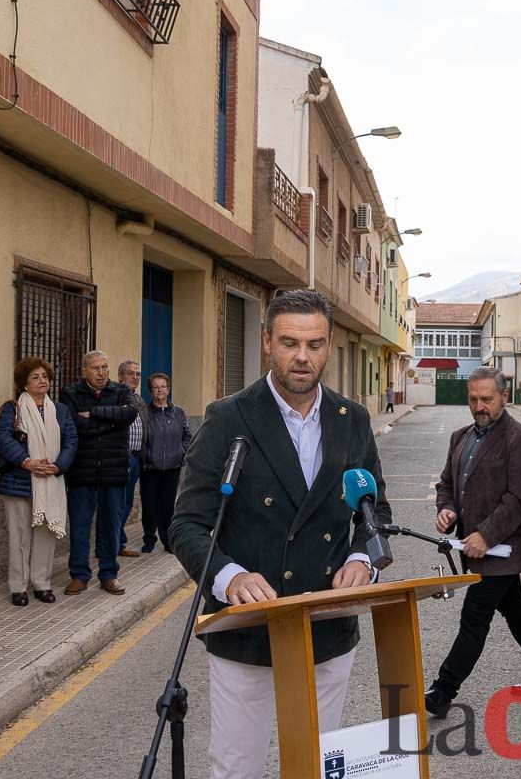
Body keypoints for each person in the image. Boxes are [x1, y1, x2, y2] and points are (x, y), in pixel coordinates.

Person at [169, 290, 391, 779]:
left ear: (329, 344)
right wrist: (228, 578)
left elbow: (375, 510)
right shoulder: (229, 417)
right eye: (289, 342)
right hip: (248, 629)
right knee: (236, 767)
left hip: (326, 626)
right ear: (266, 341)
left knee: (315, 765)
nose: (302, 357)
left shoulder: (351, 419)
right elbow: (186, 523)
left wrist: (363, 559)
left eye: (314, 344)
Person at [425, 366, 521, 718]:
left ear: (504, 396)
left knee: (475, 616)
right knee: (514, 607)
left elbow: (519, 498)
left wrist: (486, 535)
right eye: (473, 399)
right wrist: (447, 510)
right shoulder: (460, 436)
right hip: (473, 545)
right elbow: (446, 484)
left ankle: (443, 690)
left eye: (487, 399)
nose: (479, 406)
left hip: (503, 548)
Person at [0, 358, 78, 606]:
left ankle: (42, 584)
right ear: (24, 384)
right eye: (35, 377)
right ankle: (18, 587)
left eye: (45, 376)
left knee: (46, 533)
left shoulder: (60, 410)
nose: (43, 381)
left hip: (50, 480)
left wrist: (58, 465)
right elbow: (0, 439)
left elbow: (72, 440)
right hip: (19, 482)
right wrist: (26, 461)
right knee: (19, 538)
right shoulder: (13, 408)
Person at [59, 351, 139, 596]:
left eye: (105, 367)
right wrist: (111, 424)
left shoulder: (122, 391)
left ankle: (109, 574)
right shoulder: (71, 394)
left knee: (111, 525)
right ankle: (79, 575)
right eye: (95, 368)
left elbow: (129, 414)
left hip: (113, 469)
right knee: (80, 524)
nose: (102, 372)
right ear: (84, 370)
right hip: (82, 469)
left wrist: (94, 413)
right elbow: (73, 426)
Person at [140, 373, 191, 554]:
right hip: (150, 468)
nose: (160, 390)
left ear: (168, 389)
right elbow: (141, 438)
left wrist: (182, 453)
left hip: (172, 467)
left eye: (163, 386)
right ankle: (149, 539)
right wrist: (144, 458)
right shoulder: (144, 413)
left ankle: (168, 540)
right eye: (156, 387)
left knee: (168, 506)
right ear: (150, 391)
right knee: (149, 505)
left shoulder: (178, 413)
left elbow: (187, 436)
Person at [117, 359, 147, 558]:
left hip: (136, 458)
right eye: (130, 373)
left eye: (138, 374)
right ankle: (112, 544)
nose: (135, 377)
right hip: (119, 458)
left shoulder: (139, 400)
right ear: (120, 376)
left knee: (127, 502)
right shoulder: (115, 397)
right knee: (116, 502)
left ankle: (118, 543)